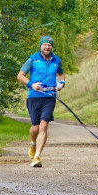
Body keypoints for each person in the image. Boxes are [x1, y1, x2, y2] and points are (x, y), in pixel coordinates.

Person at [17, 35, 65, 167]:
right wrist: (31, 84)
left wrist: (61, 83)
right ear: (41, 46)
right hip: (34, 96)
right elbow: (20, 75)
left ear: (52, 47)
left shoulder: (57, 60)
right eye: (45, 45)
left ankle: (37, 157)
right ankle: (33, 143)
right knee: (35, 127)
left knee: (44, 126)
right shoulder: (33, 59)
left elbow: (61, 74)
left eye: (49, 45)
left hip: (50, 97)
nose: (47, 47)